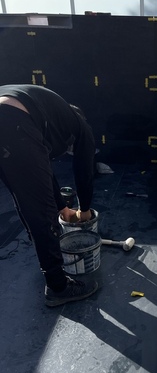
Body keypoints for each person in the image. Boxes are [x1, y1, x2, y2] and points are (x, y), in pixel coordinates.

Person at [0, 84, 98, 307]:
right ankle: (58, 286)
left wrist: (62, 207)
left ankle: (44, 254)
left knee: (23, 195)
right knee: (42, 210)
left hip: (7, 119)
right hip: (10, 120)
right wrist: (84, 210)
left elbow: (40, 170)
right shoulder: (80, 125)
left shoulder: (46, 109)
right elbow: (84, 169)